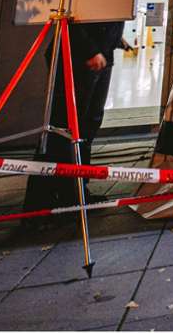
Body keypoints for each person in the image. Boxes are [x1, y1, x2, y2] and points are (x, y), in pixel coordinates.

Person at [24, 20, 125, 211]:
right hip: (79, 57)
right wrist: (90, 49)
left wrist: (114, 39)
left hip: (101, 53)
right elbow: (75, 18)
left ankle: (75, 192)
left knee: (86, 128)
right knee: (63, 129)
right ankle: (41, 204)